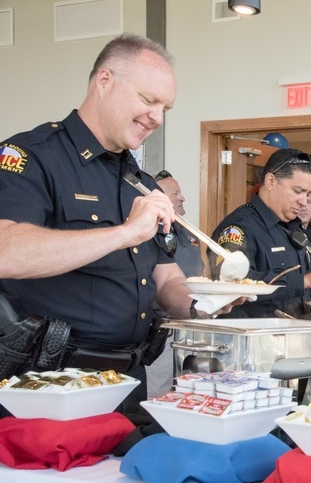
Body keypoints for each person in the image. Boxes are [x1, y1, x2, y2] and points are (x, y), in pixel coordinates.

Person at [0, 33, 232, 412]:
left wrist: (202, 305)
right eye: (148, 100)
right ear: (104, 81)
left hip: (127, 382)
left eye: (165, 108)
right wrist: (124, 233)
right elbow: (6, 250)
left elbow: (166, 278)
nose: (157, 118)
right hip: (46, 384)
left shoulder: (140, 182)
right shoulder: (30, 155)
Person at [208, 148, 311, 318]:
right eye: (298, 191)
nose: (304, 202)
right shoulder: (239, 227)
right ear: (271, 181)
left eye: (308, 194)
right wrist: (305, 281)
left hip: (296, 337)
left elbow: (305, 289)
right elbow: (233, 284)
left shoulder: (295, 229)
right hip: (254, 339)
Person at [146, 170, 205, 397]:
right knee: (159, 392)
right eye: (175, 193)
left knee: (191, 390)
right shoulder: (149, 232)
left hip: (192, 327)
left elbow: (201, 271)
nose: (182, 198)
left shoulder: (189, 233)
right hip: (161, 329)